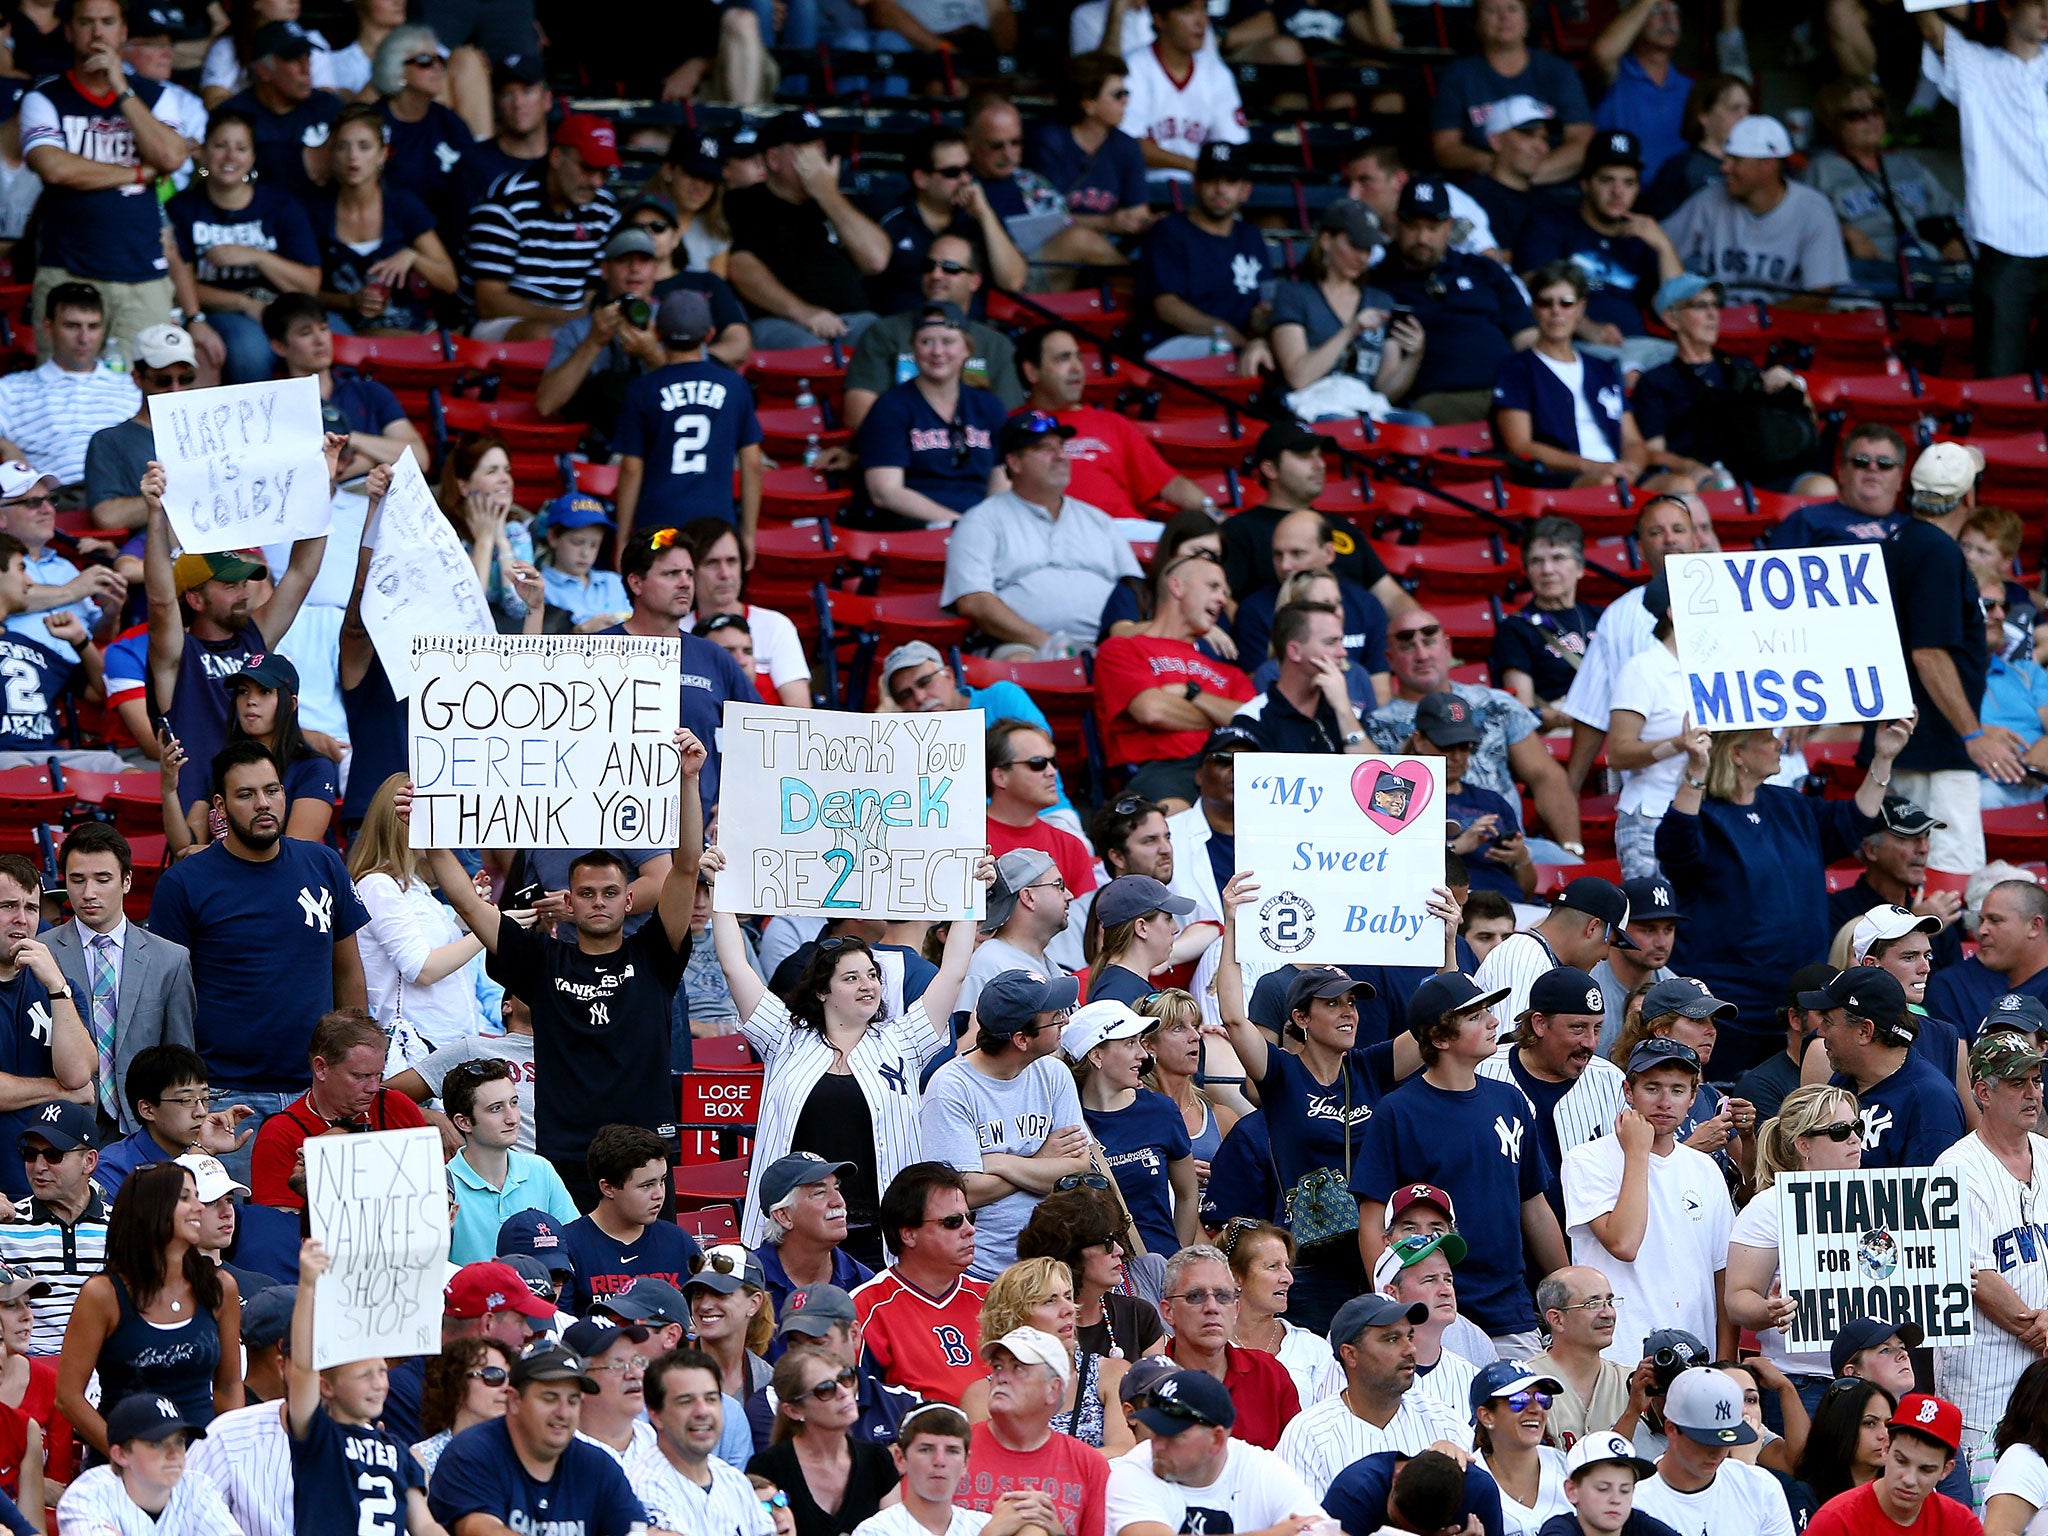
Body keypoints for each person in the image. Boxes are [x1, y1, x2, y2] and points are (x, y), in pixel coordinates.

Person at [421, 730, 706, 1207]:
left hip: (643, 1153)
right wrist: (430, 834)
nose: (599, 902)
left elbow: (685, 868)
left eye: (610, 893)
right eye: (588, 894)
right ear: (568, 902)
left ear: (629, 899)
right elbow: (471, 906)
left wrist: (689, 781)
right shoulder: (541, 960)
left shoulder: (653, 954)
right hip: (565, 1155)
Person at [705, 848, 985, 1259]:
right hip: (793, 1237)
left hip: (879, 1239)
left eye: (872, 975)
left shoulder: (903, 1040)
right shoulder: (784, 1037)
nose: (868, 985)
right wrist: (719, 890)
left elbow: (954, 971)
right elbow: (735, 966)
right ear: (822, 991)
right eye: (851, 977)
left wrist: (970, 893)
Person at [138, 739, 363, 1164]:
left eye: (272, 790)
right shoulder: (185, 884)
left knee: (323, 1229)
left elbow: (349, 970)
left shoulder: (323, 863)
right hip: (226, 1099)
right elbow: (163, 998)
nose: (264, 803)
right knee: (232, 1227)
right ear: (219, 807)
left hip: (318, 1094)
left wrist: (354, 1071)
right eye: (246, 794)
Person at [1653, 716, 1908, 1070]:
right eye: (1766, 737)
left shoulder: (1790, 804)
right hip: (1729, 1007)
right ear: (1737, 753)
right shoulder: (1704, 815)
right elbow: (1674, 847)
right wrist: (1697, 769)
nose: (1778, 743)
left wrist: (1884, 757)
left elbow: (1853, 821)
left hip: (1799, 1006)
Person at [1355, 973, 1570, 1357]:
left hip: (1510, 1310)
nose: (1494, 1021)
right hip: (1429, 1311)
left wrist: (1565, 1294)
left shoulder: (1511, 1101)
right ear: (1439, 1038)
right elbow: (1373, 1218)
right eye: (1474, 1016)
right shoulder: (1398, 1111)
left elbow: (1534, 1208)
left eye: (1489, 1011)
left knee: (1520, 1412)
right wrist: (1389, 1303)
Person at [18, 0, 199, 354]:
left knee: (145, 397)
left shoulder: (155, 95)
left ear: (123, 31)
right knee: (64, 395)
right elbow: (55, 168)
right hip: (68, 273)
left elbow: (171, 157)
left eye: (107, 22)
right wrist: (137, 172)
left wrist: (121, 86)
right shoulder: (45, 97)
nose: (97, 32)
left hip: (143, 275)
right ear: (69, 31)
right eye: (86, 22)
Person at [1561, 1037, 1731, 1367]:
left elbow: (1721, 1270)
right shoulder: (1587, 1159)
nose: (1665, 1101)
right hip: (1619, 1355)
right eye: (1652, 1088)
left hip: (1697, 1354)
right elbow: (1624, 1243)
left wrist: (1725, 1359)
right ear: (1629, 1092)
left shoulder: (1704, 1168)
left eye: (1678, 1090)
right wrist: (1638, 1153)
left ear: (1693, 1097)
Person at [1929, 1033, 2048, 1503]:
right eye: (2018, 1082)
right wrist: (2041, 1332)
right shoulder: (1955, 1168)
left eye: (2036, 1080)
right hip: (1983, 1380)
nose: (2033, 1093)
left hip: (2042, 1377)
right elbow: (1975, 1276)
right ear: (1982, 1091)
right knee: (1985, 1512)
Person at [1888, 443, 2014, 877]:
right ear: (1968, 497)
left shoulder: (1900, 540)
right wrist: (1971, 732)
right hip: (1938, 749)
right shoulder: (1939, 551)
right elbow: (1928, 653)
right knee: (1950, 876)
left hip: (1910, 739)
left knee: (1918, 874)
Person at [55, 1158, 240, 1452]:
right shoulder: (103, 1294)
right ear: (150, 1209)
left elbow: (228, 1387)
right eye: (184, 1198)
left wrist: (227, 1458)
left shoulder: (220, 1287)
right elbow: (68, 1396)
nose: (199, 1207)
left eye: (197, 1196)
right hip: (125, 1470)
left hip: (202, 1464)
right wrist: (124, 1456)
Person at [1369, 612, 1585, 860]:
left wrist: (1571, 846)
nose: (1422, 655)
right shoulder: (1378, 725)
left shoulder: (1496, 703)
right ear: (1390, 659)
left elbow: (1546, 776)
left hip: (1508, 847)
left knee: (1574, 870)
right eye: (1407, 647)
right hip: (1433, 852)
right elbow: (1385, 808)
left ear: (1447, 647)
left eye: (1429, 642)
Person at [1915, 0, 2048, 377]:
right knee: (1999, 377)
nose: (2046, 14)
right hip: (2007, 245)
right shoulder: (1975, 66)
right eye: (2036, 4)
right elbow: (1928, 22)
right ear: (2005, 7)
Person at [941, 410, 1143, 653]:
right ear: (1014, 462)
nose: (1059, 455)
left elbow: (1133, 588)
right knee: (1020, 663)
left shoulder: (1099, 520)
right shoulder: (981, 521)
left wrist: (1116, 641)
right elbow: (974, 601)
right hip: (1022, 645)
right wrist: (1050, 645)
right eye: (1044, 448)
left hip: (1105, 644)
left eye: (1061, 446)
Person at [535, 229, 749, 441]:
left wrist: (651, 354)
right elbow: (546, 405)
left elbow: (700, 399)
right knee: (606, 387)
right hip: (600, 448)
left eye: (644, 260)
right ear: (604, 270)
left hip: (672, 440)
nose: (634, 269)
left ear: (655, 270)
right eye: (623, 260)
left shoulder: (676, 319)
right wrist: (593, 342)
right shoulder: (579, 330)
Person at [1724, 1084, 1863, 1409]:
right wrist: (1767, 1311)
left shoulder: (1883, 1197)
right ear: (1804, 1145)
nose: (1855, 1138)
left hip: (1871, 1385)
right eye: (1841, 1131)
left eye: (1858, 1127)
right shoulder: (1770, 1207)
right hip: (1800, 1383)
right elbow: (1737, 1299)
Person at [1629, 276, 1830, 494]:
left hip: (1763, 471)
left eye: (1715, 305)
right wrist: (1688, 466)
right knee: (1723, 488)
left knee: (1820, 487)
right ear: (1671, 319)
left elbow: (1806, 425)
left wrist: (1794, 386)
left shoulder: (1742, 369)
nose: (1713, 314)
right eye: (1700, 306)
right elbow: (1652, 452)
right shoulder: (1657, 381)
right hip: (1708, 477)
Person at [426, 1340, 650, 1535]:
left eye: (572, 1401)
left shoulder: (598, 1466)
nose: (563, 1413)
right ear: (514, 1400)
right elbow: (478, 1529)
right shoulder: (472, 1453)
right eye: (550, 1398)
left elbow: (637, 1530)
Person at [285, 1237, 432, 1534]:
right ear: (327, 1387)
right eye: (364, 1375)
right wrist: (308, 1286)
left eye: (381, 1371)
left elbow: (425, 1524)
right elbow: (303, 1365)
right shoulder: (318, 1435)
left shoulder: (398, 1449)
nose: (378, 1384)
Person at [1369, 178, 1537, 424]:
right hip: (1439, 401)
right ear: (1397, 222)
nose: (1422, 238)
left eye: (1432, 228)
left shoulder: (1483, 269)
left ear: (1449, 225)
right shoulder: (1379, 281)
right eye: (1413, 227)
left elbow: (1526, 336)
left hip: (1508, 392)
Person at [1093, 548, 1253, 802]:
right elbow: (1152, 711)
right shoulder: (1123, 648)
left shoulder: (1230, 673)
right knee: (1172, 820)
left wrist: (1191, 694)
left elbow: (1249, 722)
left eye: (1225, 592)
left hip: (1234, 771)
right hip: (1163, 771)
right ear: (1177, 587)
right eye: (1213, 587)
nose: (1222, 599)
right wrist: (1219, 717)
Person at [611, 291, 762, 556]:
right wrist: (748, 533)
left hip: (658, 522)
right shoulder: (734, 386)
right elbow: (751, 464)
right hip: (716, 524)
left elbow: (631, 468)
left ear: (656, 332)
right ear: (709, 334)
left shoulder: (643, 389)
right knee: (709, 594)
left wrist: (623, 535)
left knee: (663, 592)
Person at [725, 110, 888, 352]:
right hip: (782, 323)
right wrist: (804, 313)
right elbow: (740, 267)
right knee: (811, 350)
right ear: (773, 159)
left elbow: (876, 260)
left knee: (884, 337)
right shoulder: (744, 203)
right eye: (805, 150)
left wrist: (826, 193)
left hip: (851, 322)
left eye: (820, 148)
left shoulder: (835, 202)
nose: (818, 159)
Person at [1276, 1291, 1466, 1497]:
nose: (1410, 1349)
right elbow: (1304, 1525)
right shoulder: (1309, 1433)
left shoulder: (1444, 1421)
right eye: (1392, 1339)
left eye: (1409, 1336)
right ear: (1350, 1354)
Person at [461, 111, 623, 342]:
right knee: (545, 335)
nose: (596, 182)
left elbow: (593, 290)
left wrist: (580, 320)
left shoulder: (603, 206)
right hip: (500, 324)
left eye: (604, 171)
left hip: (576, 324)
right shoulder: (505, 201)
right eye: (587, 168)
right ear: (556, 157)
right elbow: (489, 302)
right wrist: (570, 319)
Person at [1107, 1367, 1326, 1536]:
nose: (1157, 1444)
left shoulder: (1261, 1467)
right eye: (1156, 1430)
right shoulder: (1132, 1470)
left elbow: (1326, 1530)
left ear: (1217, 1439)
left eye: (1173, 1435)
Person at [247, 1008, 427, 1209]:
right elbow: (277, 1224)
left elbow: (434, 1186)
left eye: (378, 1075)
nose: (374, 1087)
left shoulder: (396, 1106)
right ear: (321, 1068)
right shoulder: (280, 1134)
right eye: (360, 1076)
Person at [1492, 261, 1651, 490]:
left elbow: (1633, 440)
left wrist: (1631, 470)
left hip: (1617, 475)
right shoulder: (1516, 368)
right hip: (1560, 479)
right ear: (1534, 309)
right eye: (1546, 302)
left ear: (1580, 308)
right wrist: (1592, 467)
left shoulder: (1603, 369)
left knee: (1679, 485)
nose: (1556, 311)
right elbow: (1520, 445)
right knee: (1607, 486)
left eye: (1566, 303)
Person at [843, 235, 1022, 434]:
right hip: (900, 455)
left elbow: (1008, 423)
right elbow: (858, 414)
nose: (936, 275)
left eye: (950, 268)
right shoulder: (885, 332)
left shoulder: (996, 345)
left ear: (974, 281)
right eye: (929, 266)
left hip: (974, 458)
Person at [1803, 79, 1967, 294]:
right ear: (1834, 123)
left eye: (1876, 111)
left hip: (1929, 263)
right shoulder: (1822, 169)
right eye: (1857, 115)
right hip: (1870, 269)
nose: (1871, 120)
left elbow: (1954, 211)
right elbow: (1801, 225)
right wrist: (1843, 233)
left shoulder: (1907, 164)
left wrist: (1956, 239)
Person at [162, 652, 338, 853]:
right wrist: (168, 790)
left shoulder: (314, 767)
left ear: (292, 703)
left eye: (264, 691)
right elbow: (185, 848)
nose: (251, 701)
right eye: (243, 692)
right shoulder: (225, 764)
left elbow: (295, 854)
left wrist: (213, 857)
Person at [1479, 967, 1630, 1201]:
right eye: (1578, 1027)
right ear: (1539, 1024)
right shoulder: (1483, 1069)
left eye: (1597, 1028)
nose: (1591, 1042)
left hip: (1587, 1234)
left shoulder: (1612, 1080)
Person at [853, 300, 1006, 531]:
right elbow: (885, 492)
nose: (937, 352)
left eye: (948, 342)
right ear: (913, 349)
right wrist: (958, 525)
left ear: (967, 349)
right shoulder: (891, 406)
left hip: (981, 527)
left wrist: (987, 527)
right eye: (926, 342)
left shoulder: (988, 405)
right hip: (914, 530)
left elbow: (1002, 482)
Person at [1663, 116, 1850, 303]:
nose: (1724, 168)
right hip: (1717, 323)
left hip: (1781, 328)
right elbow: (1661, 248)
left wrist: (1757, 320)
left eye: (1736, 160)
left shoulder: (1813, 209)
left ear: (1768, 164)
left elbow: (1819, 295)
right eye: (1726, 158)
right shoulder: (1710, 199)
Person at [312, 102, 457, 339]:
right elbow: (303, 290)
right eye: (343, 147)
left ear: (382, 155)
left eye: (364, 147)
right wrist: (349, 301)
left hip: (408, 332)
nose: (353, 157)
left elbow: (449, 281)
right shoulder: (316, 211)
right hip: (342, 336)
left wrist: (413, 257)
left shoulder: (403, 206)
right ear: (331, 153)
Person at [1063, 999, 1197, 1254]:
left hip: (1157, 1270)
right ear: (1096, 1055)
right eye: (1129, 1043)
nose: (1143, 1055)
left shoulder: (1160, 1111)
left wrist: (1174, 1259)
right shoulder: (1066, 1119)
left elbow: (1188, 1194)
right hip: (1099, 1278)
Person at [852, 1163, 990, 1405]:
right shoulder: (865, 1307)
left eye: (970, 1218)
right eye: (953, 1221)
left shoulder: (992, 1298)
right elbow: (858, 1404)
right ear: (908, 1234)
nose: (970, 1230)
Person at [954, 1325, 1109, 1536]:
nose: (1001, 1377)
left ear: (1053, 1389)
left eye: (1018, 1368)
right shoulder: (950, 1450)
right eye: (998, 1367)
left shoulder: (1089, 1465)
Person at [260, 295, 430, 479]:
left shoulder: (370, 392)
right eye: (306, 333)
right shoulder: (272, 407)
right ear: (279, 346)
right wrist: (374, 459)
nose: (320, 340)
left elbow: (420, 458)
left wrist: (351, 439)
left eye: (324, 328)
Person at [1431, 0, 1594, 185]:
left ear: (1527, 21)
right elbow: (1445, 147)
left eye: (1512, 9)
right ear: (1477, 23)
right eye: (1492, 10)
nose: (1504, 17)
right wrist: (1498, 170)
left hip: (1553, 186)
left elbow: (1582, 140)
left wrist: (1527, 174)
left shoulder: (1558, 71)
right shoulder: (1458, 75)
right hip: (1486, 186)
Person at [871, 126, 1027, 315]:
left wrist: (985, 215)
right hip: (905, 335)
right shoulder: (890, 218)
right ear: (921, 179)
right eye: (953, 172)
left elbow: (1013, 281)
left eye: (968, 169)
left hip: (969, 335)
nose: (965, 179)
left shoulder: (978, 215)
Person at [1136, 142, 1270, 362]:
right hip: (1173, 344)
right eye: (1211, 180)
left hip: (1238, 345)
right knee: (1222, 348)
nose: (1220, 189)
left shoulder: (1250, 236)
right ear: (1196, 185)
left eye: (1230, 181)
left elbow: (1261, 304)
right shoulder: (1170, 230)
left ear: (1245, 191)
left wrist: (1268, 324)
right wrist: (1224, 332)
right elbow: (1167, 306)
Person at [748, 1343, 901, 1536]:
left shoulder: (877, 1461)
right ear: (794, 1411)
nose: (843, 1392)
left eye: (845, 1378)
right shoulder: (768, 1468)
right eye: (825, 1389)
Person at [0, 286, 141, 492]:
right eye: (72, 326)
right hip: (55, 501)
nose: (84, 338)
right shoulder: (11, 390)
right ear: (48, 328)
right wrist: (4, 446)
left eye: (93, 327)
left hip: (127, 493)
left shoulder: (130, 387)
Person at [1631, 1366, 1797, 1536]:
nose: (1718, 1452)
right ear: (1671, 1430)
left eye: (1726, 1440)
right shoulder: (1634, 1502)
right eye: (1706, 1441)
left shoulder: (1762, 1488)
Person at [631, 1347, 778, 1536]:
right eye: (686, 1401)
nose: (702, 1411)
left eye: (711, 1399)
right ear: (655, 1415)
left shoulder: (734, 1481)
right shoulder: (642, 1487)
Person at [443, 1058, 576, 1267]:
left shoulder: (541, 1170)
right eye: (496, 1108)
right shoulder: (441, 1185)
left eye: (514, 1103)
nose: (512, 1118)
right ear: (464, 1122)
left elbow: (573, 1247)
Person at [1, 1100, 108, 1357]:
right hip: (28, 1373)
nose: (38, 1167)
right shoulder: (6, 1225)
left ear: (89, 1161)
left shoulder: (125, 1227)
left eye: (53, 1154)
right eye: (30, 1154)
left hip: (105, 1372)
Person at [1017, 1184, 1167, 1364]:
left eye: (1116, 1239)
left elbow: (1156, 1388)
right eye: (1106, 1243)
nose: (1118, 1251)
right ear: (1070, 1252)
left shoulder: (1139, 1315)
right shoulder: (1034, 1324)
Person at [53, 1393, 236, 1535]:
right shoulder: (86, 1495)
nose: (174, 1454)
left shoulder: (199, 1488)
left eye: (179, 1441)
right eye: (157, 1444)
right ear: (121, 1454)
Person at [1804, 1393, 1976, 1536]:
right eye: (1901, 1461)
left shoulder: (1962, 1525)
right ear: (1886, 1448)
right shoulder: (1835, 1522)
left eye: (1926, 1469)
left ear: (1946, 1470)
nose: (1909, 1479)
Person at [1475, 878, 1632, 1028]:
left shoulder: (1539, 957)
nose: (1606, 956)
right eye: (1610, 942)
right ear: (1592, 928)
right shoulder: (1524, 956)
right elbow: (1507, 1045)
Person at [1494, 519, 1603, 734]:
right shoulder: (1515, 628)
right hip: (1560, 728)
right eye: (1536, 561)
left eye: (1558, 558)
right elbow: (1523, 711)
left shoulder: (1601, 617)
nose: (1547, 570)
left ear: (1580, 567)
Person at [1027, 53, 1153, 238]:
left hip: (1114, 242)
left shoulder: (1127, 146)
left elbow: (1139, 211)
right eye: (1118, 95)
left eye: (1126, 93)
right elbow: (1044, 218)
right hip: (1056, 243)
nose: (1125, 100)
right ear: (1089, 104)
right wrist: (1107, 223)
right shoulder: (1049, 141)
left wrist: (1146, 221)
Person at [1233, 602, 1380, 758]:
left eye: (1341, 642)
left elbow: (1374, 777)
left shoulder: (1342, 713)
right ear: (1295, 651)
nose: (1342, 652)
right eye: (1331, 642)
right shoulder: (1253, 718)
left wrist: (1344, 710)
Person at [1118, 0, 1247, 177]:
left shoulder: (1216, 73)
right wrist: (1191, 165)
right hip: (1143, 191)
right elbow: (1124, 144)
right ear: (1160, 20)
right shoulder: (1132, 68)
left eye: (1204, 10)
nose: (1201, 22)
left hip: (1200, 195)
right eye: (1188, 11)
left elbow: (1232, 143)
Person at [219, 21, 343, 204]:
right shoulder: (233, 116)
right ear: (263, 70)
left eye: (307, 56)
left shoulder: (328, 107)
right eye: (294, 59)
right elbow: (206, 172)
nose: (306, 68)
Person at [1523, 1268, 1645, 1449]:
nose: (1608, 1313)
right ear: (1556, 1319)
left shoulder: (1632, 1381)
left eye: (1609, 1302)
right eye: (1593, 1303)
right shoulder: (1524, 1381)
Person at [1589, 0, 1690, 182]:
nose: (1668, 18)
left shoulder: (1688, 87)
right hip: (1619, 196)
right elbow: (1602, 54)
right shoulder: (1617, 74)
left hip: (1674, 202)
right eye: (1656, 10)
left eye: (1674, 10)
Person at [1470, 1360, 1573, 1534]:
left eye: (1542, 1399)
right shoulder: (1469, 1483)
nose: (1536, 1409)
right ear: (1486, 1416)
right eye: (1519, 1400)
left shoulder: (1568, 1467)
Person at [1643, 73, 1752, 217]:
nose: (1745, 117)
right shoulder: (1678, 169)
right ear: (1704, 115)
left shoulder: (1757, 166)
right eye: (1735, 108)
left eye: (1747, 109)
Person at [410, 1335, 514, 1482]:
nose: (507, 1388)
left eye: (512, 1378)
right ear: (456, 1382)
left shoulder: (523, 1453)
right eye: (493, 1376)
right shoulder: (422, 1457)